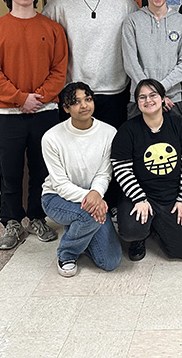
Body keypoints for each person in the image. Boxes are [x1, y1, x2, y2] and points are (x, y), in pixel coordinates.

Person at [0, 0, 67, 250]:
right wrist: (21, 98)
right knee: (9, 169)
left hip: (45, 112)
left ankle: (37, 217)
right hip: (7, 115)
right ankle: (11, 221)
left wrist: (39, 97)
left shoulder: (52, 29)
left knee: (42, 169)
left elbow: (59, 70)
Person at [43, 0, 139, 129]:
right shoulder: (58, 7)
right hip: (73, 91)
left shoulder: (125, 4)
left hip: (115, 91)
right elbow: (43, 48)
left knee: (112, 145)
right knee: (76, 146)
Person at [41, 82, 122, 277]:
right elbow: (60, 184)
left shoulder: (109, 133)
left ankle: (79, 230)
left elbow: (104, 173)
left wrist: (95, 194)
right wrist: (93, 199)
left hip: (94, 197)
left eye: (88, 99)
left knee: (111, 261)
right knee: (86, 215)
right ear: (66, 108)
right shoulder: (52, 137)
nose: (84, 106)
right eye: (76, 102)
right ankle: (66, 253)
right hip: (57, 198)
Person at [111, 79, 182, 262]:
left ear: (163, 99)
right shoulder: (127, 130)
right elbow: (121, 169)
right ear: (137, 102)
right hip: (139, 195)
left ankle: (156, 225)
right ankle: (140, 237)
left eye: (153, 95)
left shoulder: (178, 125)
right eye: (142, 97)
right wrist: (139, 198)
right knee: (131, 230)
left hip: (170, 196)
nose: (148, 100)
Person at [122, 0, 182, 121]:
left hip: (172, 99)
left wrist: (160, 91)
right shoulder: (132, 21)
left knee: (174, 144)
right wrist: (152, 95)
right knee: (140, 144)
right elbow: (130, 63)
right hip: (140, 100)